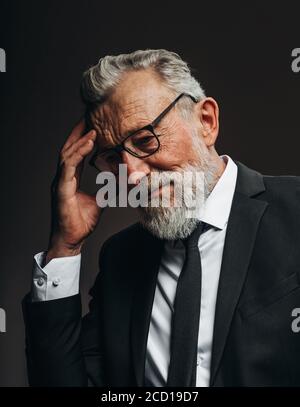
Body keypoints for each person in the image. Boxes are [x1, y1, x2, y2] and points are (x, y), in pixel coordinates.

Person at [22, 49, 300, 387]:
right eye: (113, 157)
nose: (132, 176)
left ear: (206, 122)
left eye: (144, 139)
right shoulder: (120, 259)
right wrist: (64, 246)